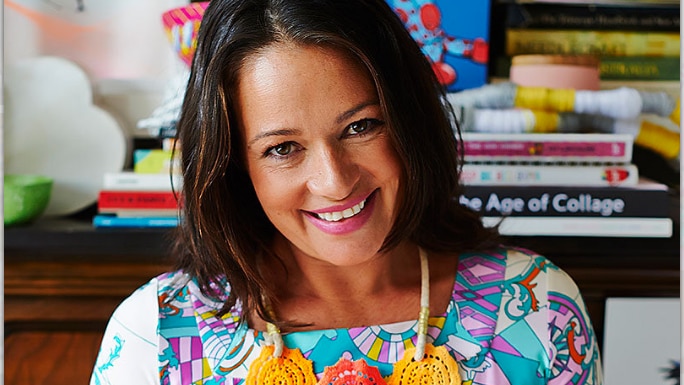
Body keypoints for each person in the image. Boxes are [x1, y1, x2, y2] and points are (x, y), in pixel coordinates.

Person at [90, 0, 603, 384]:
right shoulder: (155, 333)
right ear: (234, 166)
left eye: (361, 127)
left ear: (408, 120)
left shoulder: (539, 308)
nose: (334, 181)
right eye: (283, 148)